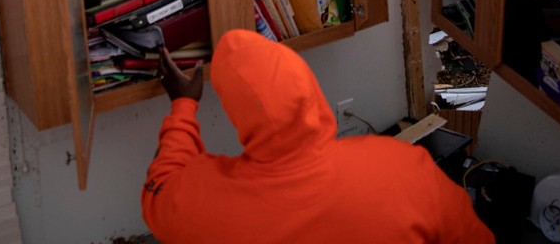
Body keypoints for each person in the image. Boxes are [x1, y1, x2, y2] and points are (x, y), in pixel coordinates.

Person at [142, 29, 495, 243]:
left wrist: (184, 106)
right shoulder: (404, 167)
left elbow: (161, 184)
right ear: (308, 86)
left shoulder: (200, 207)